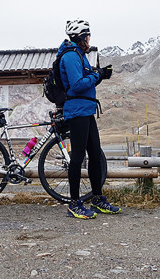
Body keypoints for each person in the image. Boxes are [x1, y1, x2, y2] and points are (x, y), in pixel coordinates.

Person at [59, 19, 121, 219]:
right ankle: (74, 204)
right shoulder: (70, 56)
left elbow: (87, 79)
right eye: (88, 35)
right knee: (77, 158)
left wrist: (99, 74)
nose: (89, 39)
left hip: (86, 110)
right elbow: (77, 84)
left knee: (95, 155)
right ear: (81, 37)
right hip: (76, 111)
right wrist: (98, 75)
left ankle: (97, 198)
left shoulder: (80, 55)